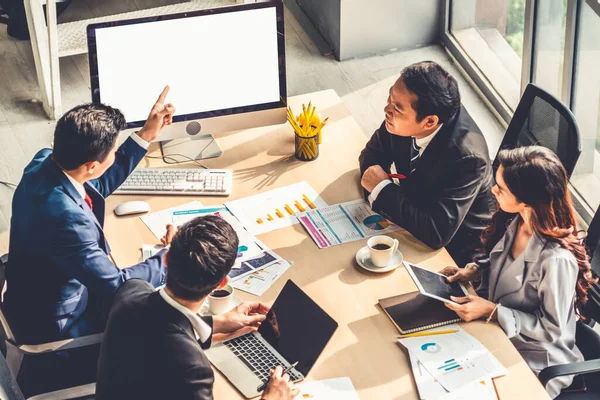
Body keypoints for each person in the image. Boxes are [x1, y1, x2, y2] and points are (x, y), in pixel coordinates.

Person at [4, 87, 176, 344]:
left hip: (31, 292)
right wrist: (171, 258)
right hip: (58, 323)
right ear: (92, 165)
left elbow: (96, 184)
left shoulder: (43, 161)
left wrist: (146, 135)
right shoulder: (67, 221)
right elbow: (117, 285)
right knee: (160, 326)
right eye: (114, 152)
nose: (115, 154)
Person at [441, 146, 596, 399]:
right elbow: (508, 270)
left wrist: (492, 311)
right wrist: (474, 273)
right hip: (496, 333)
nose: (492, 189)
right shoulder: (518, 221)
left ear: (526, 201)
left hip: (532, 358)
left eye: (500, 188)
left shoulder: (556, 260)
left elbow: (552, 329)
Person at [96, 215, 298, 400]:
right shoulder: (193, 369)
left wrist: (215, 324)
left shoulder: (132, 290)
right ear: (221, 283)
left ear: (166, 259)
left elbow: (157, 326)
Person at [359, 61, 495, 267]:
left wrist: (382, 189)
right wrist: (398, 204)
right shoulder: (403, 118)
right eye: (389, 98)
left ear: (429, 122)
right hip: (411, 224)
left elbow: (435, 233)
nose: (387, 109)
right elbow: (371, 156)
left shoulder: (468, 158)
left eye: (396, 108)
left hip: (454, 254)